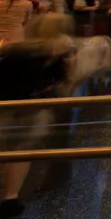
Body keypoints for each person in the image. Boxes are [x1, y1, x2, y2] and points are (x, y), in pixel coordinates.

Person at [0, 13, 74, 219]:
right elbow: (61, 81)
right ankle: (10, 197)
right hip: (30, 108)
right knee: (20, 150)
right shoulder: (54, 53)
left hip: (5, 103)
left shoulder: (13, 50)